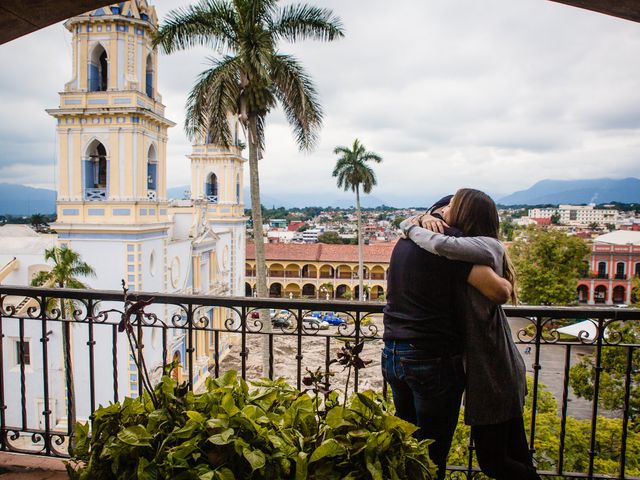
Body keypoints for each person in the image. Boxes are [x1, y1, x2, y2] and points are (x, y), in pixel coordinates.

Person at [401, 188, 540, 480]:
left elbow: (441, 245)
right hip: (493, 367)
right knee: (514, 455)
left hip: (494, 372)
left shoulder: (482, 248)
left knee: (494, 462)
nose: (445, 208)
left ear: (464, 213)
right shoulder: (472, 251)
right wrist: (417, 218)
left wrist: (410, 226)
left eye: (452, 204)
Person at [382, 196, 512, 480]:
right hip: (430, 357)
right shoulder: (449, 249)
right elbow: (498, 292)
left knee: (407, 446)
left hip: (393, 352)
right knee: (431, 455)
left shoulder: (405, 239)